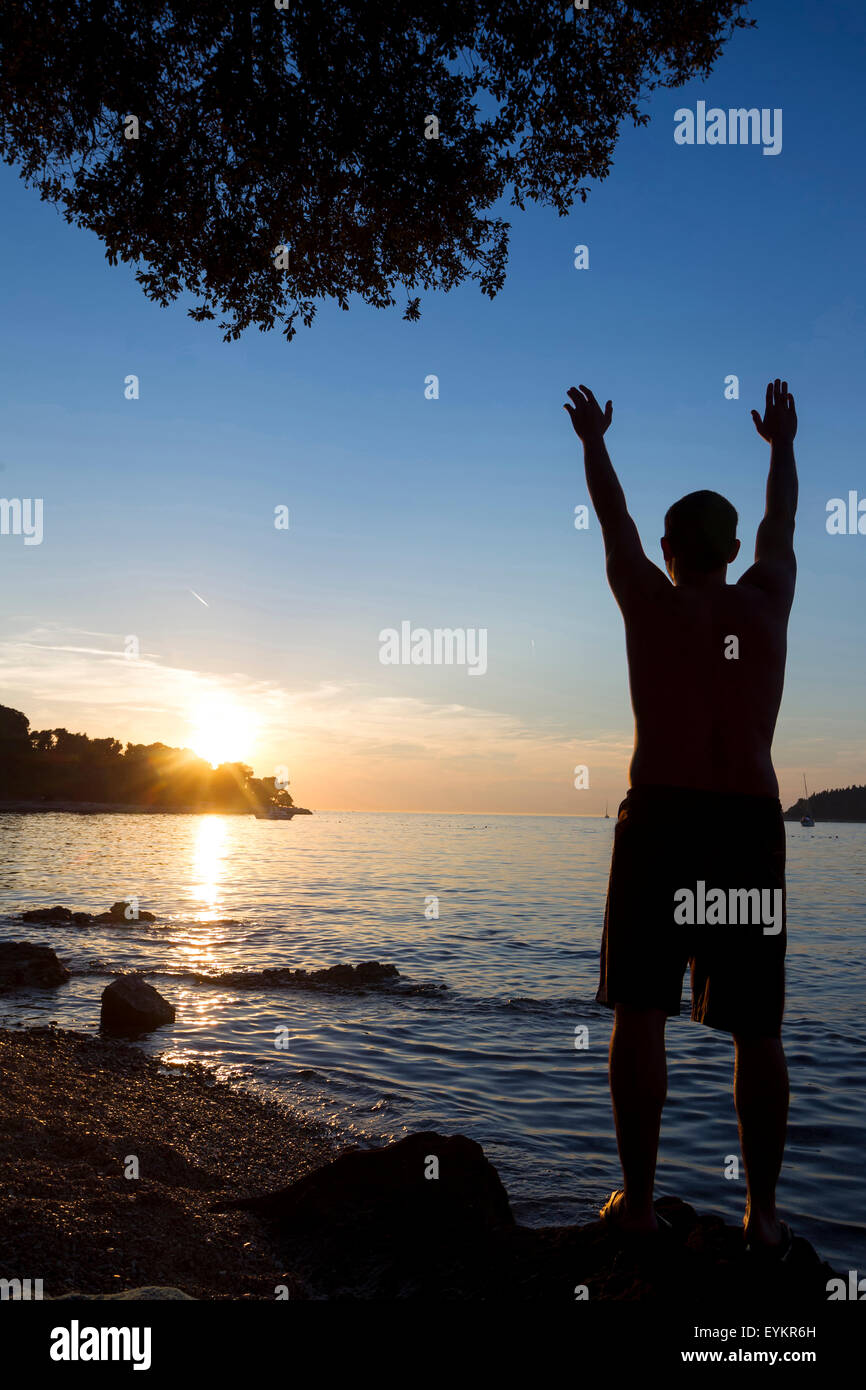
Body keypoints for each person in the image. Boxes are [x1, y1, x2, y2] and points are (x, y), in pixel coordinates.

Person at [564, 379, 798, 1254]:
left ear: (668, 550)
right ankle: (764, 1218)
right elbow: (783, 524)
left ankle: (641, 1200)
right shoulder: (767, 598)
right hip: (747, 823)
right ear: (733, 549)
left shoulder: (649, 600)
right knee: (759, 1028)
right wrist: (780, 446)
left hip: (660, 821)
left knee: (639, 1010)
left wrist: (594, 440)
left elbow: (613, 519)